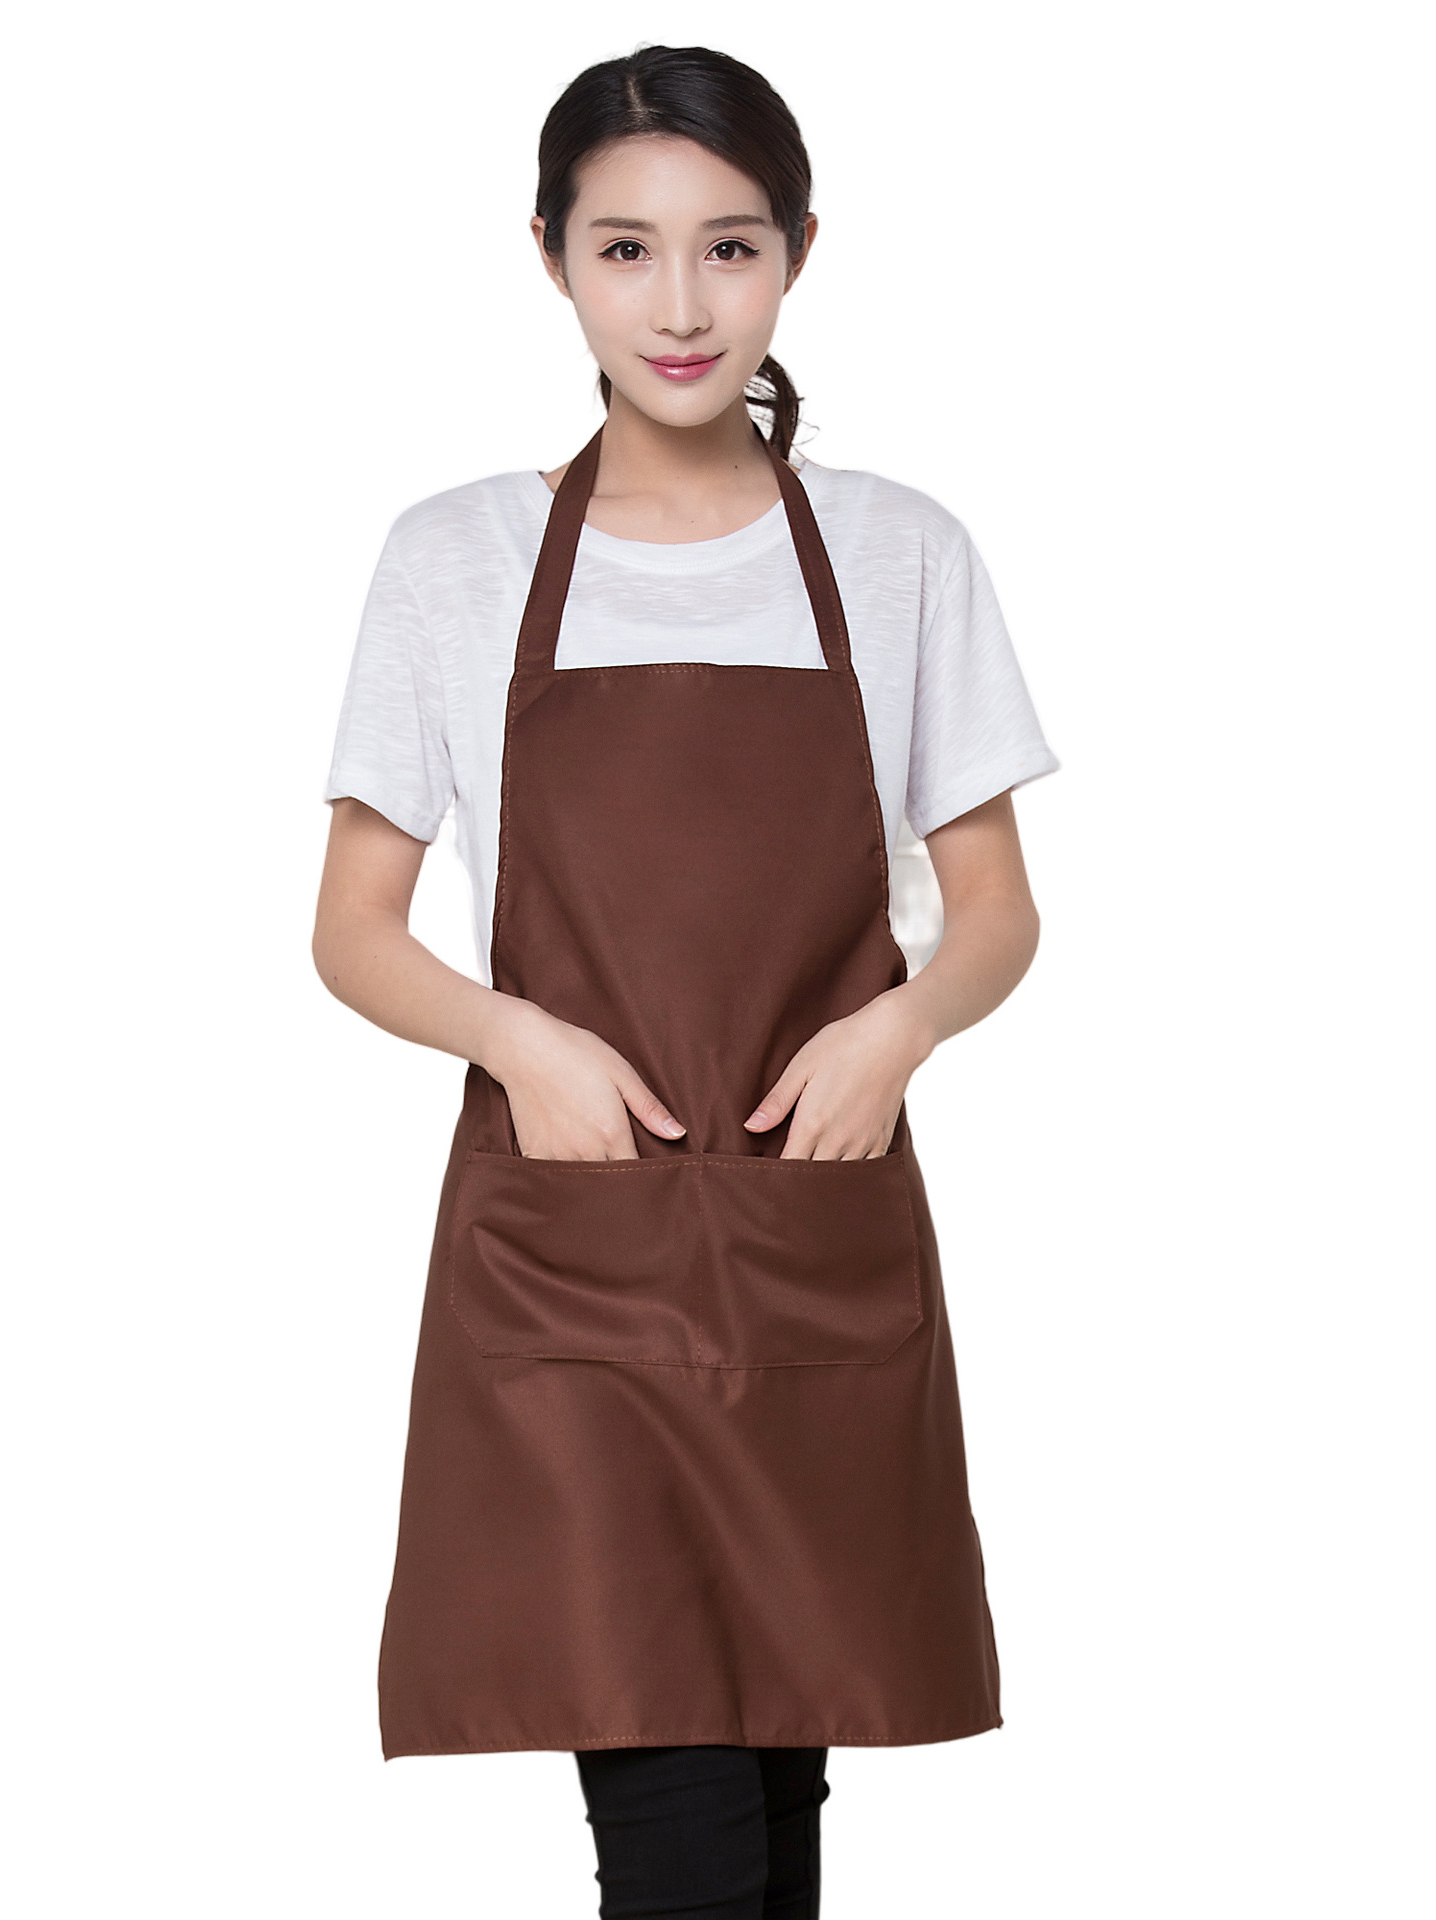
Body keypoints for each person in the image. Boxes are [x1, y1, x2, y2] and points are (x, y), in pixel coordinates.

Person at [312, 44, 1059, 1920]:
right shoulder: (457, 557)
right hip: (575, 1253)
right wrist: (515, 1041)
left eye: (729, 248)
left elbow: (995, 912)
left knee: (781, 1782)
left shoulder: (898, 551)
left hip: (812, 1232)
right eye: (626, 250)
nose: (680, 305)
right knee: (679, 1818)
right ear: (551, 257)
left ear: (797, 252)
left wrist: (901, 1028)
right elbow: (352, 927)